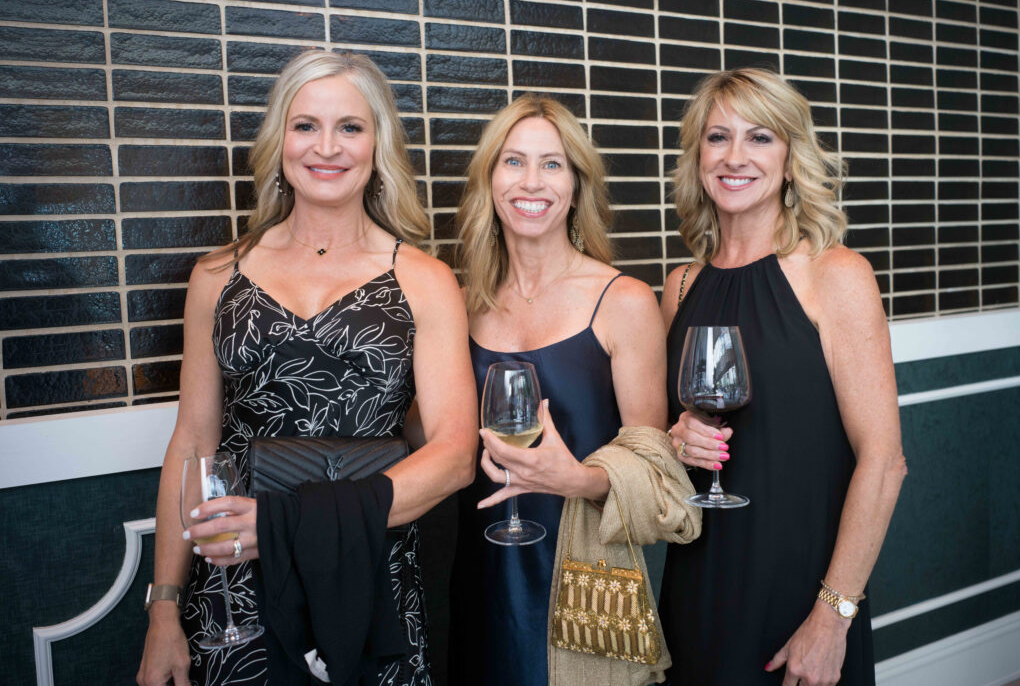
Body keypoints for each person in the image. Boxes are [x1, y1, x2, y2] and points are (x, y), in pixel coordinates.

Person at [136, 50, 478, 686]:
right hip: (236, 586)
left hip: (373, 575)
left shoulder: (424, 280)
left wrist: (283, 525)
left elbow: (456, 455)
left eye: (350, 127)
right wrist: (163, 609)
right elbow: (192, 444)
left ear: (377, 146)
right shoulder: (217, 276)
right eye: (305, 126)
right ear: (279, 141)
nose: (327, 147)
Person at [659, 68, 907, 686]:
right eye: (718, 137)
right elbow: (668, 447)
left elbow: (884, 462)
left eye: (760, 138)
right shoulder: (680, 286)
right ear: (698, 158)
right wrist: (677, 439)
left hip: (803, 592)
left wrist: (832, 617)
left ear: (792, 160)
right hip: (699, 582)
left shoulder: (836, 274)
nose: (735, 157)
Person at [446, 94, 671, 685]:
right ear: (490, 180)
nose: (532, 181)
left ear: (576, 185)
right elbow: (432, 434)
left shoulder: (623, 301)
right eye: (514, 161)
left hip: (585, 573)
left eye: (552, 164)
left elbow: (657, 475)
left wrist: (577, 479)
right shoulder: (459, 303)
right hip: (472, 568)